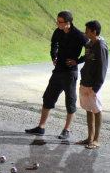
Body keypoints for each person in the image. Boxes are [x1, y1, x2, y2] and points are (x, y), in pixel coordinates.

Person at [24, 10, 88, 139]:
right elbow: (54, 44)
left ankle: (66, 130)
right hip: (58, 71)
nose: (57, 24)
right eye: (57, 21)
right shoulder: (58, 32)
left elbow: (90, 50)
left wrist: (77, 61)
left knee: (70, 101)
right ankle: (41, 127)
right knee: (48, 98)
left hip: (70, 72)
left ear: (68, 23)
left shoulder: (79, 35)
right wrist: (54, 56)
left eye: (60, 22)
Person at [77, 20, 109, 149]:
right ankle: (89, 138)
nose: (85, 33)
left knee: (97, 110)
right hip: (85, 81)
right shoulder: (89, 44)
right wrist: (76, 62)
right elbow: (86, 58)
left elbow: (103, 68)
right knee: (88, 109)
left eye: (87, 31)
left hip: (94, 85)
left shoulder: (101, 46)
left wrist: (96, 87)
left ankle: (96, 140)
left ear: (94, 32)